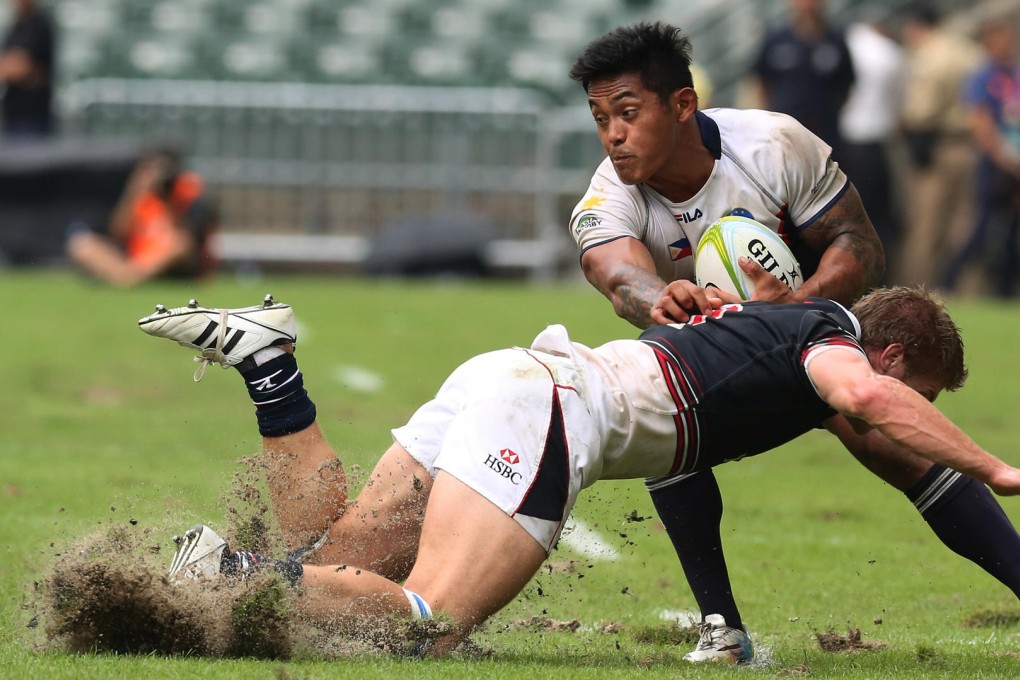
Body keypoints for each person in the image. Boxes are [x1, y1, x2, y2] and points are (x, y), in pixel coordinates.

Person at [139, 287, 1020, 659]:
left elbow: (688, 468)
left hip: (510, 374)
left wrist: (722, 617)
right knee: (430, 619)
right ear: (893, 353)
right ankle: (224, 572)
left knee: (339, 556)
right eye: (929, 395)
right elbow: (872, 401)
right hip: (551, 407)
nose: (921, 421)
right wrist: (1003, 469)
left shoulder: (765, 345)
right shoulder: (831, 342)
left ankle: (271, 367)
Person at [566, 21, 1020, 664]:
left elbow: (860, 244)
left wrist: (798, 304)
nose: (612, 134)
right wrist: (657, 299)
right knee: (672, 436)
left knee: (902, 447)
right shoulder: (609, 193)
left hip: (813, 338)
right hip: (704, 355)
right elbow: (615, 274)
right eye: (600, 117)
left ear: (682, 105)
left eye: (628, 113)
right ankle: (722, 629)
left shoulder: (774, 143)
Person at [897, 5, 983, 289]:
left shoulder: (931, 54)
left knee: (927, 227)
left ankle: (917, 294)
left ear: (917, 25)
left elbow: (921, 112)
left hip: (938, 148)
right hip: (971, 146)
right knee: (966, 226)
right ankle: (969, 291)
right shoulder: (971, 51)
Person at [941, 17, 1020, 298]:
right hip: (996, 163)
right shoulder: (983, 76)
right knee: (982, 226)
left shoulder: (1015, 73)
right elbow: (981, 122)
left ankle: (1007, 291)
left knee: (1013, 232)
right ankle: (948, 282)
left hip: (1016, 161)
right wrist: (1004, 158)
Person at [65, 147, 219, 287]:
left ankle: (128, 277)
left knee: (179, 244)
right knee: (82, 244)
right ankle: (126, 276)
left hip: (170, 265)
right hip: (137, 258)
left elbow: (188, 241)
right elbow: (119, 233)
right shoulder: (140, 196)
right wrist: (136, 190)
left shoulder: (187, 194)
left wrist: (169, 198)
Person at [838, 18, 906, 283]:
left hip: (846, 141)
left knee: (847, 216)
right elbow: (899, 104)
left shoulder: (841, 43)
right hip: (875, 144)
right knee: (880, 218)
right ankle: (883, 277)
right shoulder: (889, 51)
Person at [750, 0, 855, 159]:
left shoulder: (835, 40)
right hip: (785, 134)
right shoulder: (775, 40)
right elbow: (760, 83)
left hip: (826, 133)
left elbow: (846, 84)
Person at [0, 0, 54, 144]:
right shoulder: (16, 26)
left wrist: (12, 67)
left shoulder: (40, 25)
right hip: (13, 115)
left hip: (33, 118)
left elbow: (22, 68)